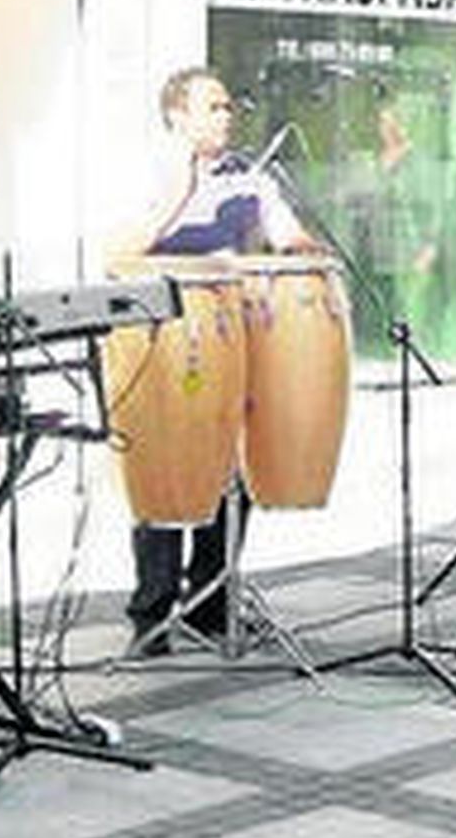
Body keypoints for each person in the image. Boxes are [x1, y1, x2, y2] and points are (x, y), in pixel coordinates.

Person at [108, 67, 318, 658]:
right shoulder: (144, 172)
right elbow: (116, 252)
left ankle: (208, 605)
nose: (227, 116)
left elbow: (286, 235)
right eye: (214, 107)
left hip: (234, 333)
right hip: (162, 336)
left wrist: (300, 247)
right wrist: (177, 193)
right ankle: (150, 611)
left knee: (232, 471)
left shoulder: (247, 178)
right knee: (164, 471)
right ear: (178, 116)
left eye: (229, 106)